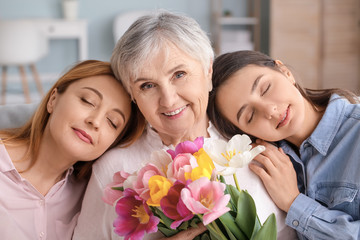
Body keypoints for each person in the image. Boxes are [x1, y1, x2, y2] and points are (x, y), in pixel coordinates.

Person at [73, 11, 296, 240]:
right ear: (132, 95)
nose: (168, 100)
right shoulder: (113, 170)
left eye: (179, 74)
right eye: (148, 86)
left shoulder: (255, 150)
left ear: (208, 71)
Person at [207, 50, 360, 240]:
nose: (270, 110)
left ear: (285, 71)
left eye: (265, 88)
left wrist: (293, 202)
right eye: (250, 116)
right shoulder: (267, 165)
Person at [0, 60, 145, 240]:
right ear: (53, 99)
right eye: (88, 101)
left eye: (112, 122)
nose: (96, 121)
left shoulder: (92, 197)